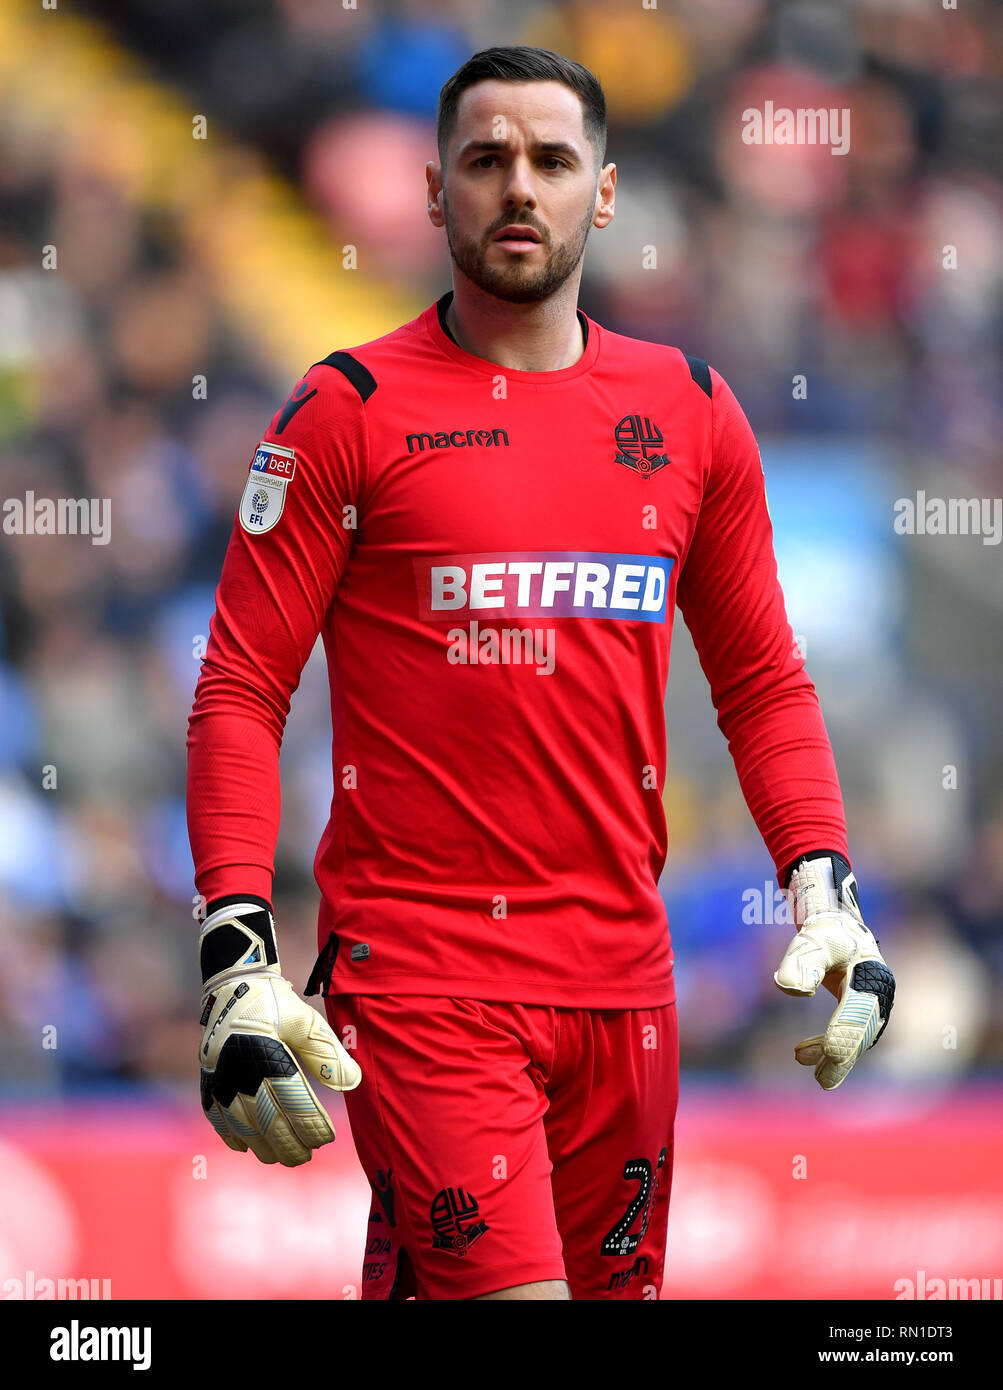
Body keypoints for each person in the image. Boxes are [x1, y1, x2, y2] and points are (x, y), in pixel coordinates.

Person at [187, 46, 895, 1301]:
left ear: (604, 192)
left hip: (625, 982)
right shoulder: (344, 410)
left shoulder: (691, 411)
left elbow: (763, 683)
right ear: (431, 188)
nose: (520, 187)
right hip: (422, 977)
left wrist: (824, 884)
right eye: (486, 160)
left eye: (552, 162)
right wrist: (235, 948)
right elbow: (241, 687)